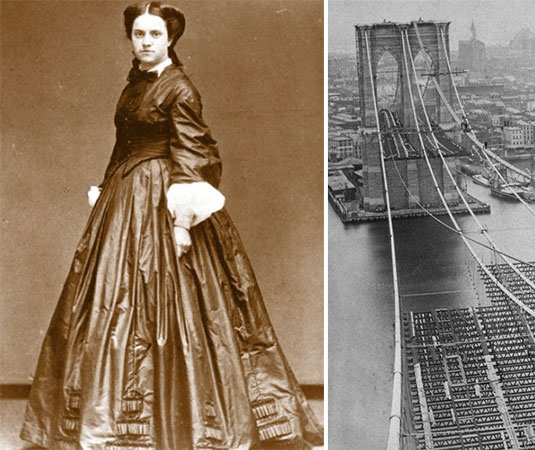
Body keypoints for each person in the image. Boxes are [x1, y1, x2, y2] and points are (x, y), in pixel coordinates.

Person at [20, 3, 323, 448]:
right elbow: (121, 148)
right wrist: (106, 194)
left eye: (154, 34)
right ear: (131, 39)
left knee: (183, 307)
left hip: (166, 199)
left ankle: (186, 422)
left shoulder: (180, 88)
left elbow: (195, 155)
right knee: (112, 303)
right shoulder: (132, 88)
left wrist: (181, 222)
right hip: (125, 202)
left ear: (170, 39)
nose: (145, 41)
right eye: (138, 34)